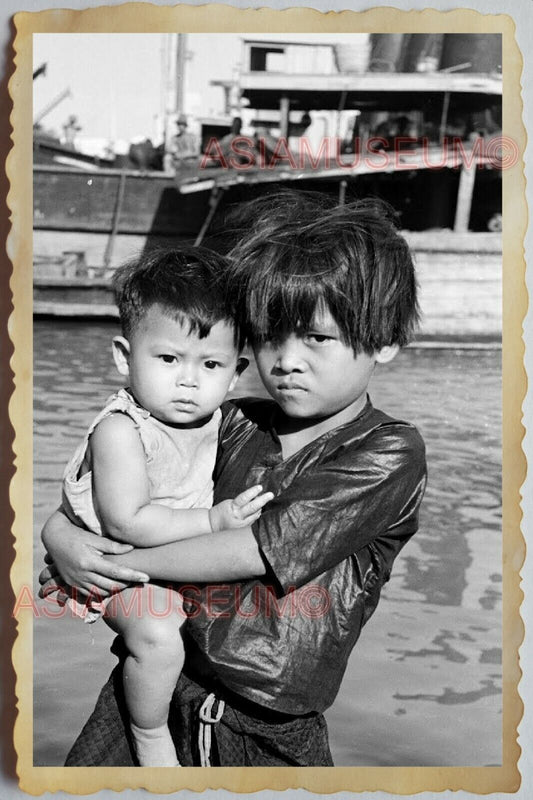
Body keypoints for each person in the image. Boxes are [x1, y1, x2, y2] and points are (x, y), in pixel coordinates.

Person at [40, 192, 427, 767]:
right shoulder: (233, 422)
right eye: (271, 335)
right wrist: (63, 539)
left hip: (266, 730)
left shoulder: (386, 451)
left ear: (386, 339)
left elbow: (251, 549)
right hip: (154, 691)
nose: (287, 360)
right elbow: (119, 489)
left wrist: (109, 562)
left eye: (317, 338)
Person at [49, 246, 273, 766]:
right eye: (169, 359)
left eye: (210, 364)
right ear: (125, 358)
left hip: (164, 560)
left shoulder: (221, 419)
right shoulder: (121, 430)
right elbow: (128, 520)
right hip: (119, 571)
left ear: (236, 372)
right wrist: (213, 521)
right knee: (158, 633)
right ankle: (149, 734)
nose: (189, 380)